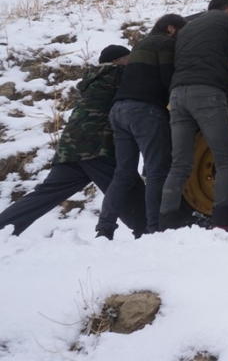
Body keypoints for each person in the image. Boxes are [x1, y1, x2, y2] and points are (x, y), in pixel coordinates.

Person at [0, 46, 146, 237]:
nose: (132, 61)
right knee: (128, 188)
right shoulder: (117, 74)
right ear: (118, 60)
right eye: (129, 58)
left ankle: (4, 226)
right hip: (96, 147)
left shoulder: (94, 79)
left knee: (44, 195)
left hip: (70, 146)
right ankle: (152, 230)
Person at [159, 0, 228, 231]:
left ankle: (165, 224)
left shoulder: (187, 29)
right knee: (224, 160)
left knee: (179, 164)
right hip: (207, 93)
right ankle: (221, 222)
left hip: (178, 96)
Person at [96, 14, 186, 239]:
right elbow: (168, 79)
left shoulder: (139, 46)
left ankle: (104, 228)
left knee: (123, 174)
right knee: (157, 171)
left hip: (119, 111)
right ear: (171, 29)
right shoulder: (164, 43)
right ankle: (154, 227)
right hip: (145, 111)